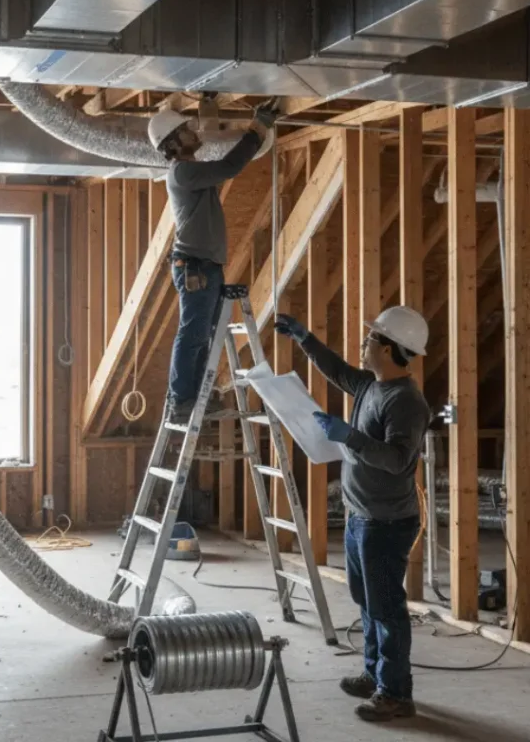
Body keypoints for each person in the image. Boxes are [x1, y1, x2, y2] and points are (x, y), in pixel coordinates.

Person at [274, 305, 431, 723]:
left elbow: (399, 460)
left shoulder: (407, 402)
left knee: (386, 608)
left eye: (370, 339)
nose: (364, 345)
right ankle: (373, 673)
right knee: (367, 602)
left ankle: (396, 693)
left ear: (388, 348)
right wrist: (304, 339)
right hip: (360, 515)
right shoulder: (370, 385)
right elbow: (337, 370)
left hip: (387, 523)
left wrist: (351, 437)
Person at [147, 100, 278, 421]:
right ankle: (182, 401)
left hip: (203, 265)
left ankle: (197, 398)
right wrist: (257, 128)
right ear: (173, 143)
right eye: (185, 130)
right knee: (193, 334)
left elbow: (222, 168)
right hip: (195, 266)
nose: (193, 132)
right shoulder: (183, 171)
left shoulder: (190, 171)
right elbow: (229, 167)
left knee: (203, 334)